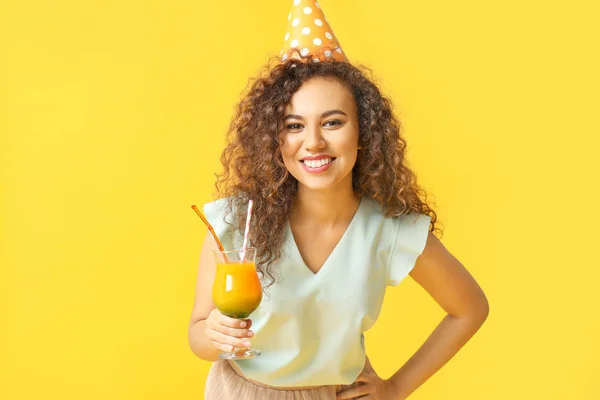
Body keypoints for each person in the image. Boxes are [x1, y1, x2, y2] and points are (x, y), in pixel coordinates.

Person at [188, 1, 489, 399]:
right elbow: (198, 336)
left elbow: (469, 309)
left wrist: (397, 387)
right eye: (294, 126)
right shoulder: (234, 222)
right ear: (274, 141)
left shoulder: (388, 230)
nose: (312, 142)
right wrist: (213, 333)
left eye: (332, 122)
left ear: (363, 132)